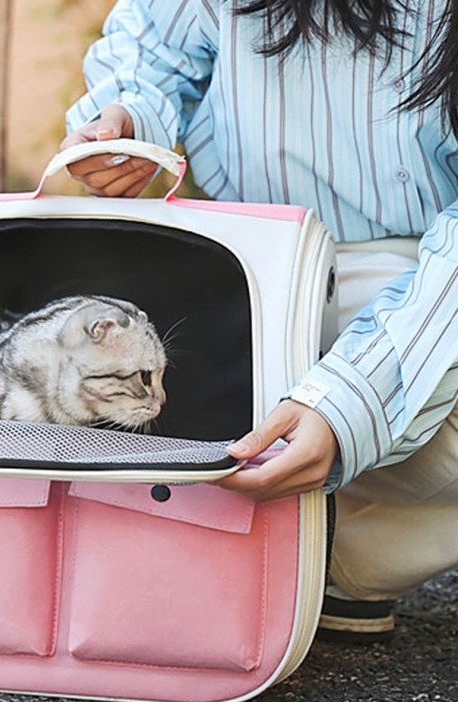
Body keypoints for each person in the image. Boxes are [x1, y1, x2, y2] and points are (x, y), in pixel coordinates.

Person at [61, 0, 458, 640]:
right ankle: (299, 545)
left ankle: (325, 552)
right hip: (264, 261)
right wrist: (130, 115)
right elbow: (157, 40)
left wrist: (353, 403)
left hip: (427, 271)